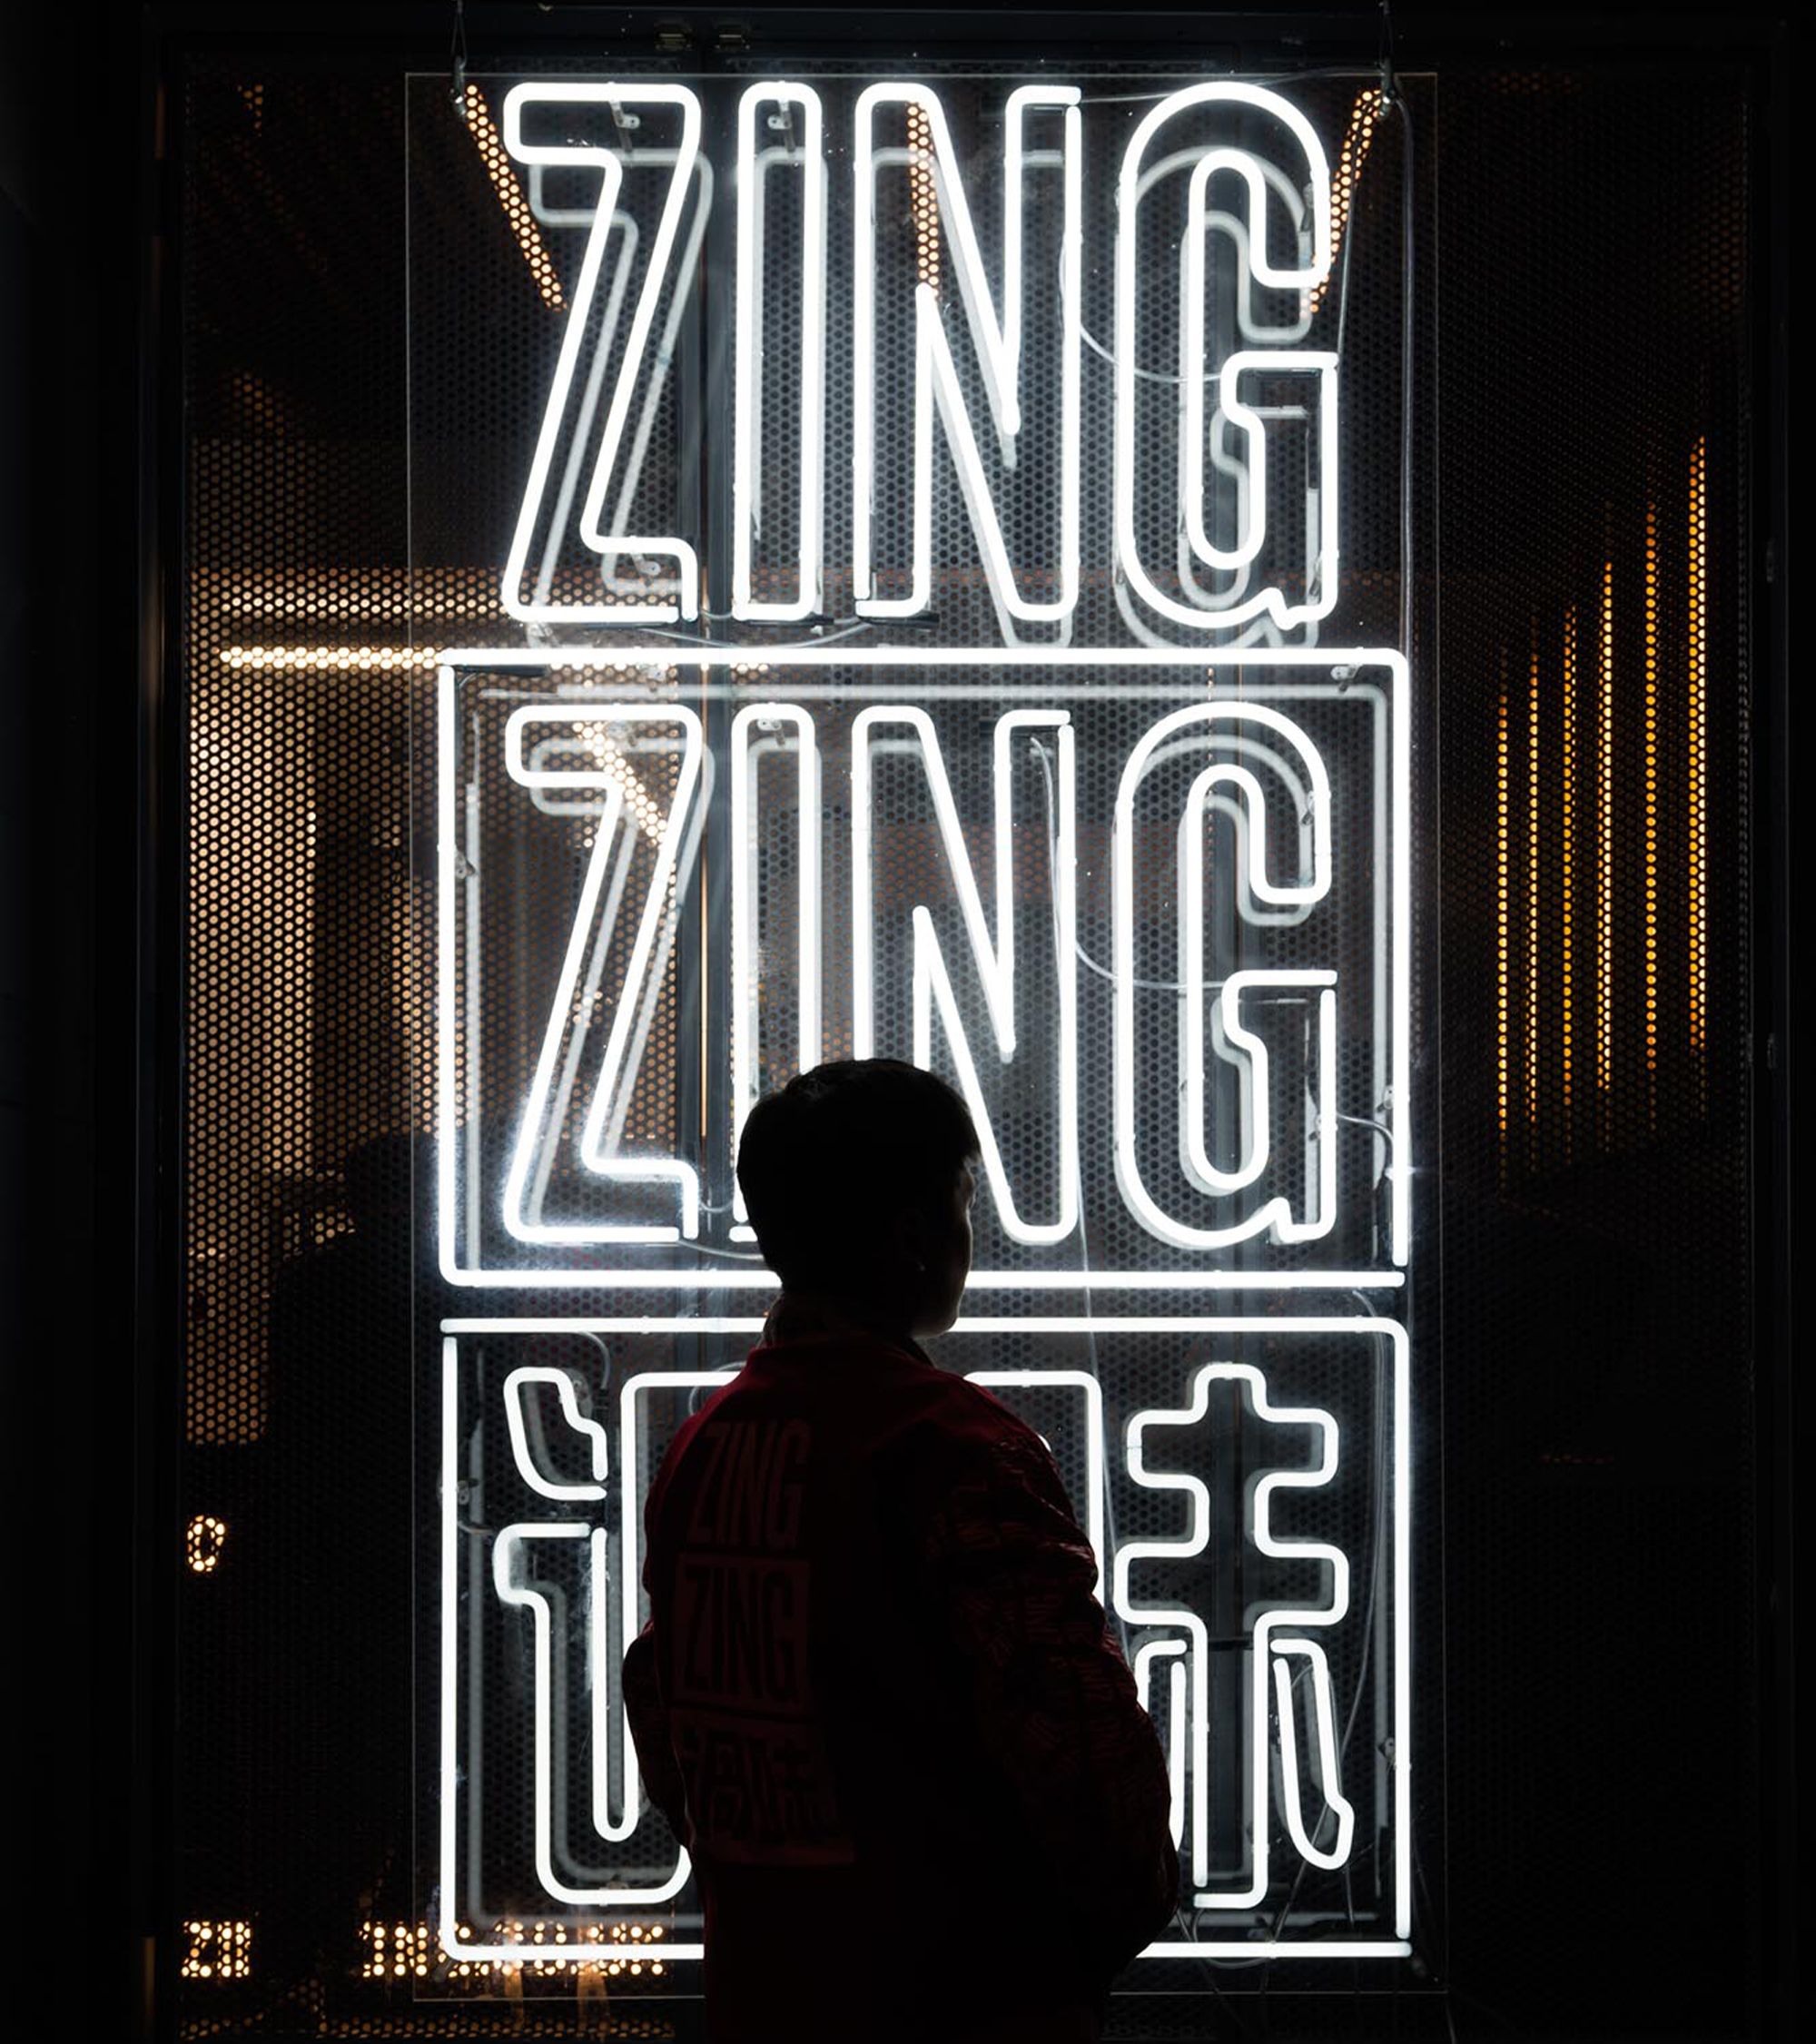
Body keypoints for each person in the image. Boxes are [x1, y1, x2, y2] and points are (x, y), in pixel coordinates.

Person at [622, 1060, 1178, 2043]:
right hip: (963, 1995)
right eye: (964, 1202)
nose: (973, 1234)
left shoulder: (701, 1448)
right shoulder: (953, 1448)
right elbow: (1072, 1736)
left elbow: (662, 1710)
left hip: (768, 1991)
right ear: (914, 1236)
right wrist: (1112, 1918)